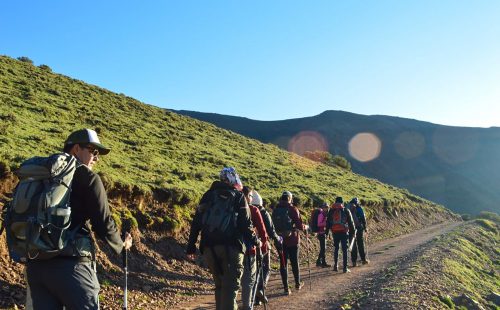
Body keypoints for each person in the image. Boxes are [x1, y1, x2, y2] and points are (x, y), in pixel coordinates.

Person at [25, 128, 133, 310]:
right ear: (76, 149)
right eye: (93, 151)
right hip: (71, 266)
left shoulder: (42, 174)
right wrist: (122, 245)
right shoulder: (88, 178)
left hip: (36, 266)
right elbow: (103, 223)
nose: (96, 158)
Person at [186, 167, 259, 310]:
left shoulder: (208, 195)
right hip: (232, 247)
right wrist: (257, 241)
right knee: (230, 288)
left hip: (209, 247)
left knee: (219, 286)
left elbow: (196, 222)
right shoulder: (238, 197)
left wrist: (191, 246)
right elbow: (246, 225)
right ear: (233, 179)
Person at [250, 190, 282, 305]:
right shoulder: (263, 212)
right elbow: (271, 231)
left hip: (249, 246)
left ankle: (253, 298)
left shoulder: (245, 209)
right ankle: (260, 290)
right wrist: (278, 239)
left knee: (253, 272)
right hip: (262, 245)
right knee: (266, 268)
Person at [272, 191, 307, 295]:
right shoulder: (292, 209)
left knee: (283, 263)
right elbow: (300, 226)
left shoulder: (275, 210)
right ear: (290, 199)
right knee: (294, 262)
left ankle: (286, 288)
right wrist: (306, 227)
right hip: (293, 240)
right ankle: (297, 283)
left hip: (280, 240)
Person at [240, 186, 268, 310]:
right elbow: (263, 232)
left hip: (233, 248)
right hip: (250, 248)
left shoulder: (232, 208)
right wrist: (262, 246)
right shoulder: (253, 209)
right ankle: (247, 306)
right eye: (250, 196)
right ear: (248, 196)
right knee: (249, 279)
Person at [326, 196, 355, 273]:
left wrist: (326, 232)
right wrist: (353, 232)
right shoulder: (346, 210)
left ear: (335, 202)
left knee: (336, 248)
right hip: (344, 232)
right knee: (345, 250)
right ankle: (345, 268)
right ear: (342, 202)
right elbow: (351, 222)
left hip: (335, 232)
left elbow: (328, 222)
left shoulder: (331, 210)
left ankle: (336, 266)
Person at [348, 197, 369, 266]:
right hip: (358, 228)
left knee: (353, 244)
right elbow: (363, 219)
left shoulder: (348, 208)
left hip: (350, 229)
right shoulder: (359, 208)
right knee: (360, 244)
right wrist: (365, 228)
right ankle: (363, 259)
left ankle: (354, 262)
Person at [315, 202, 330, 267]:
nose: (326, 208)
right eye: (325, 207)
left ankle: (320, 262)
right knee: (323, 248)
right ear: (323, 208)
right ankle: (321, 262)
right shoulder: (321, 215)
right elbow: (319, 224)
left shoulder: (325, 214)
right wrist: (325, 223)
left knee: (323, 248)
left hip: (323, 233)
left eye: (327, 207)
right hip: (321, 233)